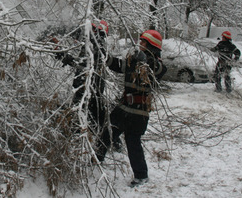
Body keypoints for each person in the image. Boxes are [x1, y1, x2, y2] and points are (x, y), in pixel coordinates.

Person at [94, 29, 167, 187]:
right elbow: (119, 65)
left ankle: (141, 176)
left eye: (143, 42)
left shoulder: (156, 65)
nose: (140, 44)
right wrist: (104, 56)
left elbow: (158, 70)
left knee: (132, 142)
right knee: (107, 132)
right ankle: (95, 162)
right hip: (124, 107)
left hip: (139, 112)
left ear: (152, 45)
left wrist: (146, 60)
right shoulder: (133, 61)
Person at [51, 20, 109, 135]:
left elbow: (83, 66)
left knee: (82, 115)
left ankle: (79, 138)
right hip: (87, 86)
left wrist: (62, 54)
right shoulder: (93, 43)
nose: (87, 31)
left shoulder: (96, 45)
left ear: (96, 31)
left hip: (88, 87)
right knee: (93, 116)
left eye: (91, 29)